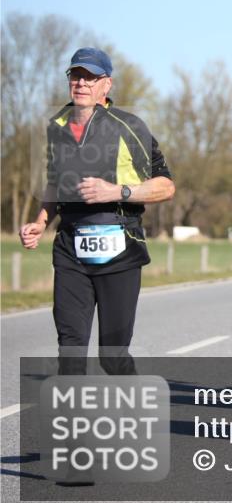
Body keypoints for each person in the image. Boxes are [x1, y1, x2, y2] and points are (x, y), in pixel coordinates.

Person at [19, 48, 175, 376]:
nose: (81, 83)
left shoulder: (130, 126)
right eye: (76, 76)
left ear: (106, 84)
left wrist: (118, 191)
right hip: (71, 247)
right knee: (71, 350)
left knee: (112, 357)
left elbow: (166, 186)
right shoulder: (56, 126)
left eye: (90, 77)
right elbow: (53, 182)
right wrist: (40, 221)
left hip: (119, 243)